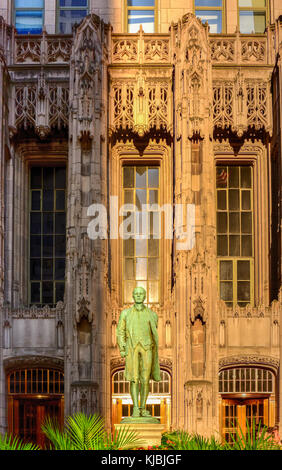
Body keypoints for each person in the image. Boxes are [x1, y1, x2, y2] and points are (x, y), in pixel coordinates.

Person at [116, 286, 161, 418]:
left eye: (141, 293)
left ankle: (143, 408)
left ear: (145, 296)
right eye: (136, 293)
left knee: (145, 379)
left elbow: (153, 332)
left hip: (147, 347)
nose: (139, 295)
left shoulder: (152, 314)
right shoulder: (125, 313)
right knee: (134, 379)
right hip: (132, 347)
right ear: (133, 296)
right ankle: (135, 408)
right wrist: (122, 347)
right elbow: (120, 331)